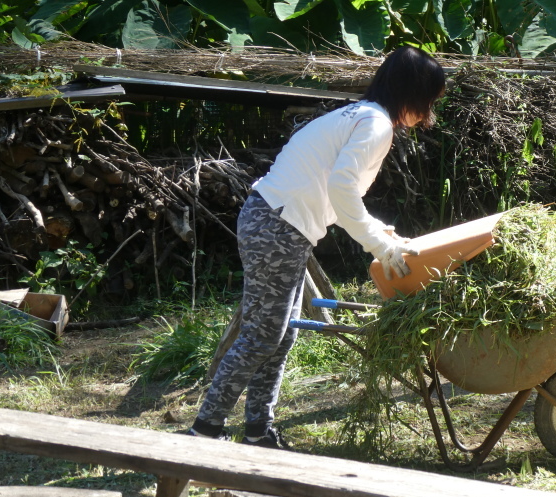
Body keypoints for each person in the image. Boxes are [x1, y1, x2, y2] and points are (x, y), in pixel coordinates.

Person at [188, 46, 446, 447]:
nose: (427, 114)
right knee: (261, 336)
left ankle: (257, 431)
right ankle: (204, 430)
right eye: (428, 102)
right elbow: (340, 187)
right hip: (277, 227)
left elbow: (336, 194)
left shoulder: (356, 115)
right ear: (411, 93)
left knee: (280, 334)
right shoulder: (376, 124)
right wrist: (378, 245)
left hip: (274, 223)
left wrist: (380, 232)